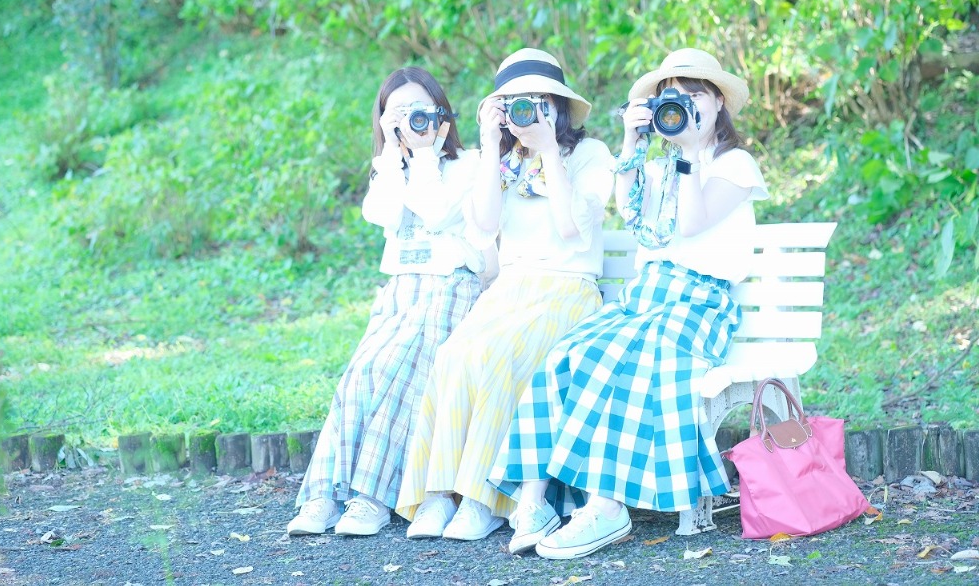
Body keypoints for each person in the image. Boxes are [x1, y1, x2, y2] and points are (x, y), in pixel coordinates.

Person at [490, 48, 769, 559]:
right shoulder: (660, 163)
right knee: (568, 355)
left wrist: (686, 151)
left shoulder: (735, 164)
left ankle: (606, 506)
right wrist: (632, 141)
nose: (684, 106)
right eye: (671, 99)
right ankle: (534, 503)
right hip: (644, 297)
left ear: (719, 103)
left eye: (695, 96)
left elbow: (692, 224)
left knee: (630, 361)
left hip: (698, 303)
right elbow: (629, 210)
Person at [395, 48, 615, 541]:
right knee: (454, 354)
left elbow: (570, 228)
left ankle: (483, 499)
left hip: (566, 289)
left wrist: (548, 150)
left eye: (538, 100)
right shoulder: (504, 160)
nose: (527, 110)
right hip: (510, 289)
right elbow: (485, 225)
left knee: (500, 355)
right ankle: (440, 494)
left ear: (558, 105)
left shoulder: (589, 155)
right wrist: (490, 144)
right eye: (515, 102)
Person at [287, 67, 487, 537]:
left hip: (451, 286)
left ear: (441, 113)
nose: (411, 119)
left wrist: (425, 155)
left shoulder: (470, 164)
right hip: (401, 290)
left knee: (402, 369)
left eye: (420, 110)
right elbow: (380, 213)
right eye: (397, 112)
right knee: (361, 373)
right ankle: (324, 495)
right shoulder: (390, 169)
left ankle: (371, 499)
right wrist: (395, 156)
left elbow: (437, 214)